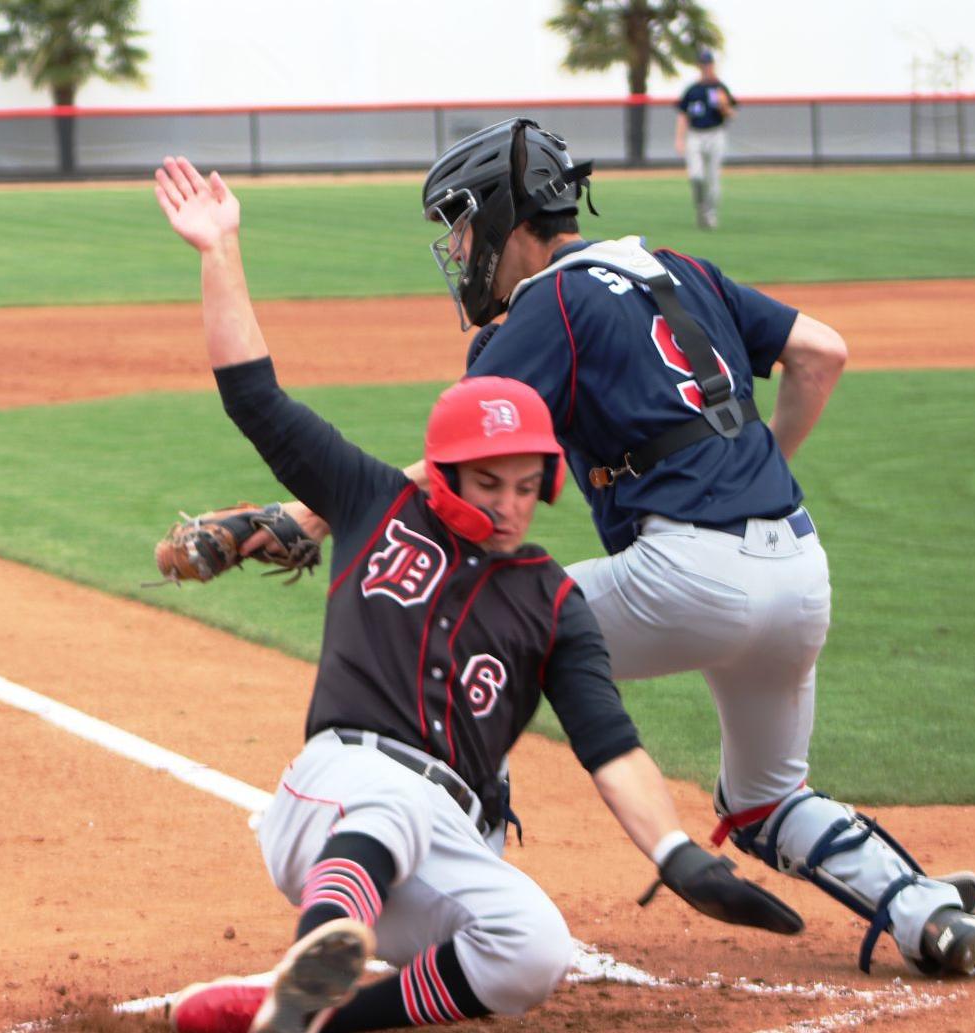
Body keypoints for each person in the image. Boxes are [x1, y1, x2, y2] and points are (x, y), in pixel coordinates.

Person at [250, 118, 975, 981]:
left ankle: (459, 901)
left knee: (486, 636)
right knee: (768, 796)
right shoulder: (682, 270)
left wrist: (307, 515)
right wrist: (750, 470)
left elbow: (461, 458)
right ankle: (926, 912)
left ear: (508, 218)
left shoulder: (551, 301)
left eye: (465, 224)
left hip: (686, 577)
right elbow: (821, 353)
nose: (460, 246)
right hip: (799, 571)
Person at [151, 156, 799, 1033]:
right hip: (336, 801)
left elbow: (609, 744)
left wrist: (677, 851)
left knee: (533, 944)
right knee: (390, 803)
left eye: (527, 484)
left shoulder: (552, 601)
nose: (508, 504)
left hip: (448, 837)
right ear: (445, 469)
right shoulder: (371, 501)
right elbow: (254, 397)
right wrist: (218, 249)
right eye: (487, 482)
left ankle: (305, 1018)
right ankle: (326, 937)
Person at [674, 48, 735, 229]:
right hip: (695, 135)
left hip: (715, 133)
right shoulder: (693, 90)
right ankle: (701, 207)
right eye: (703, 64)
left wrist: (724, 106)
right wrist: (679, 138)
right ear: (699, 66)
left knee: (713, 178)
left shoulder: (720, 87)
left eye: (708, 63)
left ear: (712, 65)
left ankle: (710, 213)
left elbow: (731, 113)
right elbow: (683, 114)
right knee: (696, 176)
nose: (706, 67)